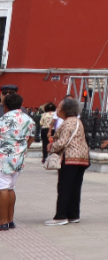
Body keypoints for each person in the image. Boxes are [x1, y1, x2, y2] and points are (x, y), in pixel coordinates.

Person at [45, 96, 90, 226]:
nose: (57, 110)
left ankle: (61, 216)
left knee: (64, 187)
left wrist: (51, 147)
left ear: (65, 110)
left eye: (59, 108)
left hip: (70, 158)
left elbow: (62, 143)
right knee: (75, 187)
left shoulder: (67, 123)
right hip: (82, 158)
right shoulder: (77, 121)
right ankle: (73, 214)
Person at [0, 91, 37, 231]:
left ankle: (2, 221)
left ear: (5, 106)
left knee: (2, 188)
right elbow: (32, 137)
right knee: (10, 187)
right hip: (19, 157)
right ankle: (10, 220)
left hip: (3, 158)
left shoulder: (3, 119)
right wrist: (21, 148)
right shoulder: (28, 119)